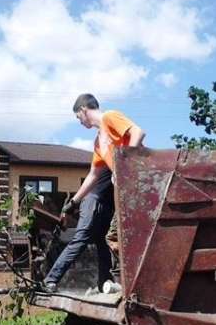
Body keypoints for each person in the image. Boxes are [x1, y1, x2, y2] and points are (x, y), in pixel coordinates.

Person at [42, 93, 145, 293]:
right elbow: (93, 174)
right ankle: (51, 280)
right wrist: (73, 202)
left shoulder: (109, 117)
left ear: (83, 110)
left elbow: (138, 133)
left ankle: (102, 282)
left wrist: (124, 166)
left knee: (101, 239)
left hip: (109, 198)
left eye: (77, 117)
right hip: (96, 198)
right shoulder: (98, 142)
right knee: (89, 237)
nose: (79, 122)